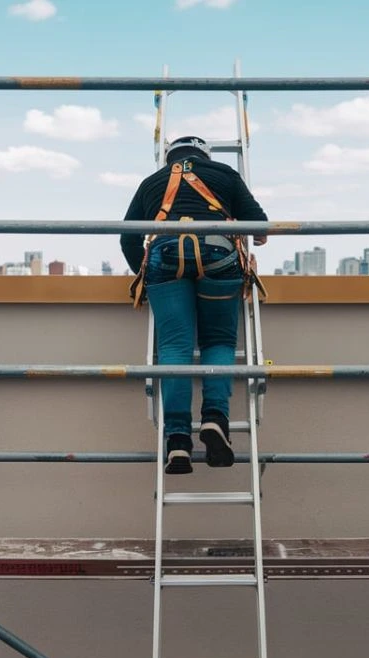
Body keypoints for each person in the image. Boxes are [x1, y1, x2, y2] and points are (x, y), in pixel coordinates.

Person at [121, 135, 269, 475]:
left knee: (175, 347)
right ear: (205, 155)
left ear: (169, 157)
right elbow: (259, 227)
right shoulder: (224, 173)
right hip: (218, 256)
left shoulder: (151, 182)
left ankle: (177, 441)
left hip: (166, 259)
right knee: (218, 341)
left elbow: (127, 236)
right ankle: (215, 419)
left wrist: (145, 276)